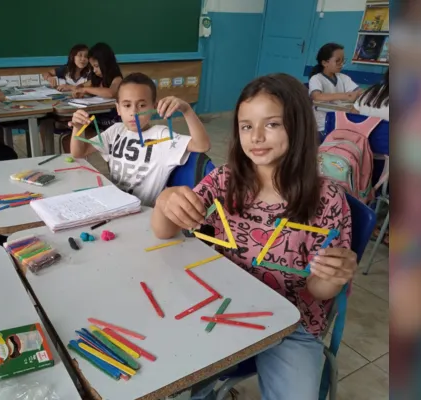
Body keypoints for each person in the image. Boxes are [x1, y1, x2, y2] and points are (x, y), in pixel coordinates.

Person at [151, 74, 358, 400]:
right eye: (246, 126)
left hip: (292, 324)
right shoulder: (224, 179)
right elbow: (164, 231)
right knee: (166, 371)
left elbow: (318, 292)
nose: (257, 136)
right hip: (216, 305)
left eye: (272, 124)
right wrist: (166, 203)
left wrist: (333, 276)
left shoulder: (326, 198)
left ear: (299, 125)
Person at [69, 72, 210, 207]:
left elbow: (202, 145)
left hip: (143, 212)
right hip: (114, 204)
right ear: (118, 109)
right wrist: (77, 127)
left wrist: (186, 110)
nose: (134, 113)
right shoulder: (115, 131)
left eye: (142, 105)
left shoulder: (161, 136)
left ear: (154, 106)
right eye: (127, 105)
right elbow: (79, 152)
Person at [308, 43, 363, 132]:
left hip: (340, 122)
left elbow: (359, 92)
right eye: (337, 61)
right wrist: (345, 96)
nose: (341, 64)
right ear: (325, 63)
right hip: (322, 124)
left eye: (343, 61)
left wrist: (358, 94)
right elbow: (317, 96)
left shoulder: (343, 78)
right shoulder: (316, 79)